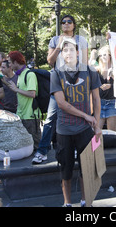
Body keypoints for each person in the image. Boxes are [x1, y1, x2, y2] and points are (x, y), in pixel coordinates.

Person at [50, 37, 102, 207]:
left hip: (85, 130)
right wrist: (86, 116)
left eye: (72, 50)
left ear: (78, 52)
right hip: (64, 129)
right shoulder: (56, 73)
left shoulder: (90, 71)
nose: (69, 53)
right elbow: (61, 103)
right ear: (61, 54)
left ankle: (86, 201)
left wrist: (97, 124)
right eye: (65, 50)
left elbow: (96, 98)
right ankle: (67, 203)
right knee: (66, 169)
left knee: (87, 169)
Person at [33, 14, 88, 164]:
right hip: (58, 81)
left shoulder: (81, 40)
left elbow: (85, 63)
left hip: (76, 83)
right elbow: (50, 62)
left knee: (77, 116)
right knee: (51, 118)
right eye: (63, 22)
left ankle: (77, 149)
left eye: (69, 22)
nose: (66, 24)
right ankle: (42, 150)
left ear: (74, 25)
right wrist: (59, 46)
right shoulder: (55, 40)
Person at [7, 51, 41, 150]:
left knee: (35, 145)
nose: (9, 65)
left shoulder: (29, 74)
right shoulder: (20, 75)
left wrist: (16, 89)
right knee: (25, 145)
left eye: (10, 62)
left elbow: (32, 94)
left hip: (30, 115)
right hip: (21, 114)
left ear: (16, 62)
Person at [96, 45, 116, 132]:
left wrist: (111, 85)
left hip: (113, 102)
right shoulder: (97, 70)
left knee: (111, 133)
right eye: (101, 55)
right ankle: (97, 146)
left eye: (105, 55)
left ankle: (110, 146)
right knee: (96, 133)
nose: (103, 57)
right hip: (100, 102)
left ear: (110, 56)